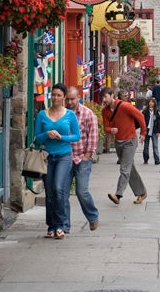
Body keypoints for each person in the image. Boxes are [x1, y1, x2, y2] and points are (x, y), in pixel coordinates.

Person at [33, 83, 80, 240]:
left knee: (59, 189)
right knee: (49, 192)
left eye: (59, 95)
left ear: (64, 97)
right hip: (47, 157)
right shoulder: (42, 115)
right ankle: (51, 226)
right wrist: (47, 134)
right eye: (53, 95)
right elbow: (37, 138)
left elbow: (76, 136)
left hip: (63, 156)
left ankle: (60, 225)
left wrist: (61, 137)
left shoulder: (70, 115)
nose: (55, 98)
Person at [100, 87, 148, 205]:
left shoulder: (124, 106)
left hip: (130, 141)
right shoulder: (105, 111)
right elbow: (106, 127)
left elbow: (140, 116)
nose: (104, 99)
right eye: (102, 97)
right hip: (118, 142)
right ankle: (142, 192)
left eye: (105, 96)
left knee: (124, 169)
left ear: (112, 96)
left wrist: (143, 133)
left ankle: (118, 195)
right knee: (129, 168)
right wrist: (111, 130)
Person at [66, 86, 100, 231]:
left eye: (72, 99)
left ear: (78, 97)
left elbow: (93, 136)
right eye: (67, 99)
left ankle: (93, 217)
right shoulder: (63, 114)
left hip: (81, 158)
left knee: (82, 191)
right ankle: (64, 224)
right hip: (65, 158)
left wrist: (87, 155)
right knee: (62, 192)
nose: (69, 102)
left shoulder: (87, 114)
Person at [142, 97, 160, 165]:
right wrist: (143, 132)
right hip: (146, 131)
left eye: (152, 102)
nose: (151, 103)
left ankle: (157, 160)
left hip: (154, 131)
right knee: (146, 146)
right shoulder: (145, 112)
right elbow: (142, 122)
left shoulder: (156, 112)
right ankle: (145, 159)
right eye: (150, 102)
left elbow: (159, 122)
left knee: (155, 145)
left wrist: (158, 131)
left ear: (154, 103)